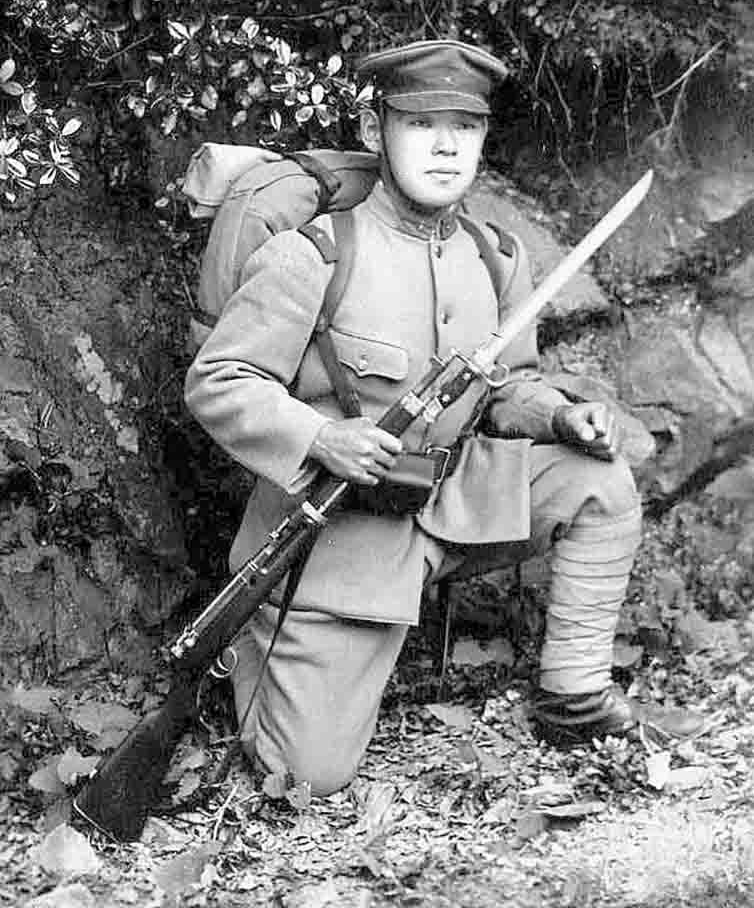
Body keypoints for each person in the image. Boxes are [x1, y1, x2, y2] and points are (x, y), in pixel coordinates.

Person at [184, 39, 702, 795]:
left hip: (452, 503)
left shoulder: (494, 257)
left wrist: (561, 418)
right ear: (375, 132)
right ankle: (275, 653)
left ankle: (575, 697)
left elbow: (506, 387)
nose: (447, 145)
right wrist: (322, 435)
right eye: (423, 124)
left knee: (600, 477)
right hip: (342, 534)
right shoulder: (316, 256)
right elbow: (221, 379)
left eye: (467, 126)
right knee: (306, 778)